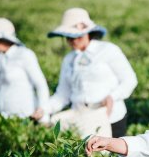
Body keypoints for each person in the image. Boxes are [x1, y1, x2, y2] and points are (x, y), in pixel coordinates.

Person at [40, 8, 138, 138]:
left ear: (88, 32)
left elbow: (129, 80)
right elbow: (63, 93)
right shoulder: (69, 59)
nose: (73, 41)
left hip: (110, 116)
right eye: (68, 37)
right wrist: (44, 109)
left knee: (112, 155)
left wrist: (112, 97)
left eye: (77, 36)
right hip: (82, 118)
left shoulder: (108, 50)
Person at [0, 18, 50, 122]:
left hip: (26, 117)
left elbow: (40, 84)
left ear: (5, 39)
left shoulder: (24, 54)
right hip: (2, 118)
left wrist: (42, 108)